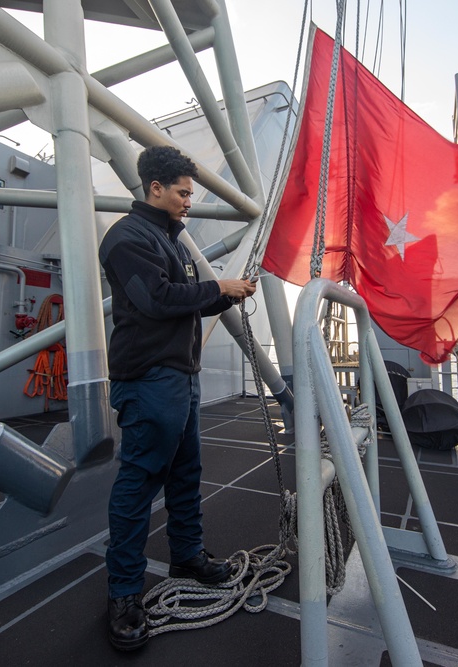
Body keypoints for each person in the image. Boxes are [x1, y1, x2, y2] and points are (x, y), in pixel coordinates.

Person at [98, 145, 257, 651]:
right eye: (184, 193)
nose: (190, 201)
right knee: (140, 479)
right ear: (155, 189)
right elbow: (156, 300)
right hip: (149, 379)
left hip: (177, 377)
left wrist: (218, 293)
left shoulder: (166, 239)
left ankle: (187, 554)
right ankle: (124, 594)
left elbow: (173, 299)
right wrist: (220, 290)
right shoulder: (128, 238)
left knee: (186, 474)